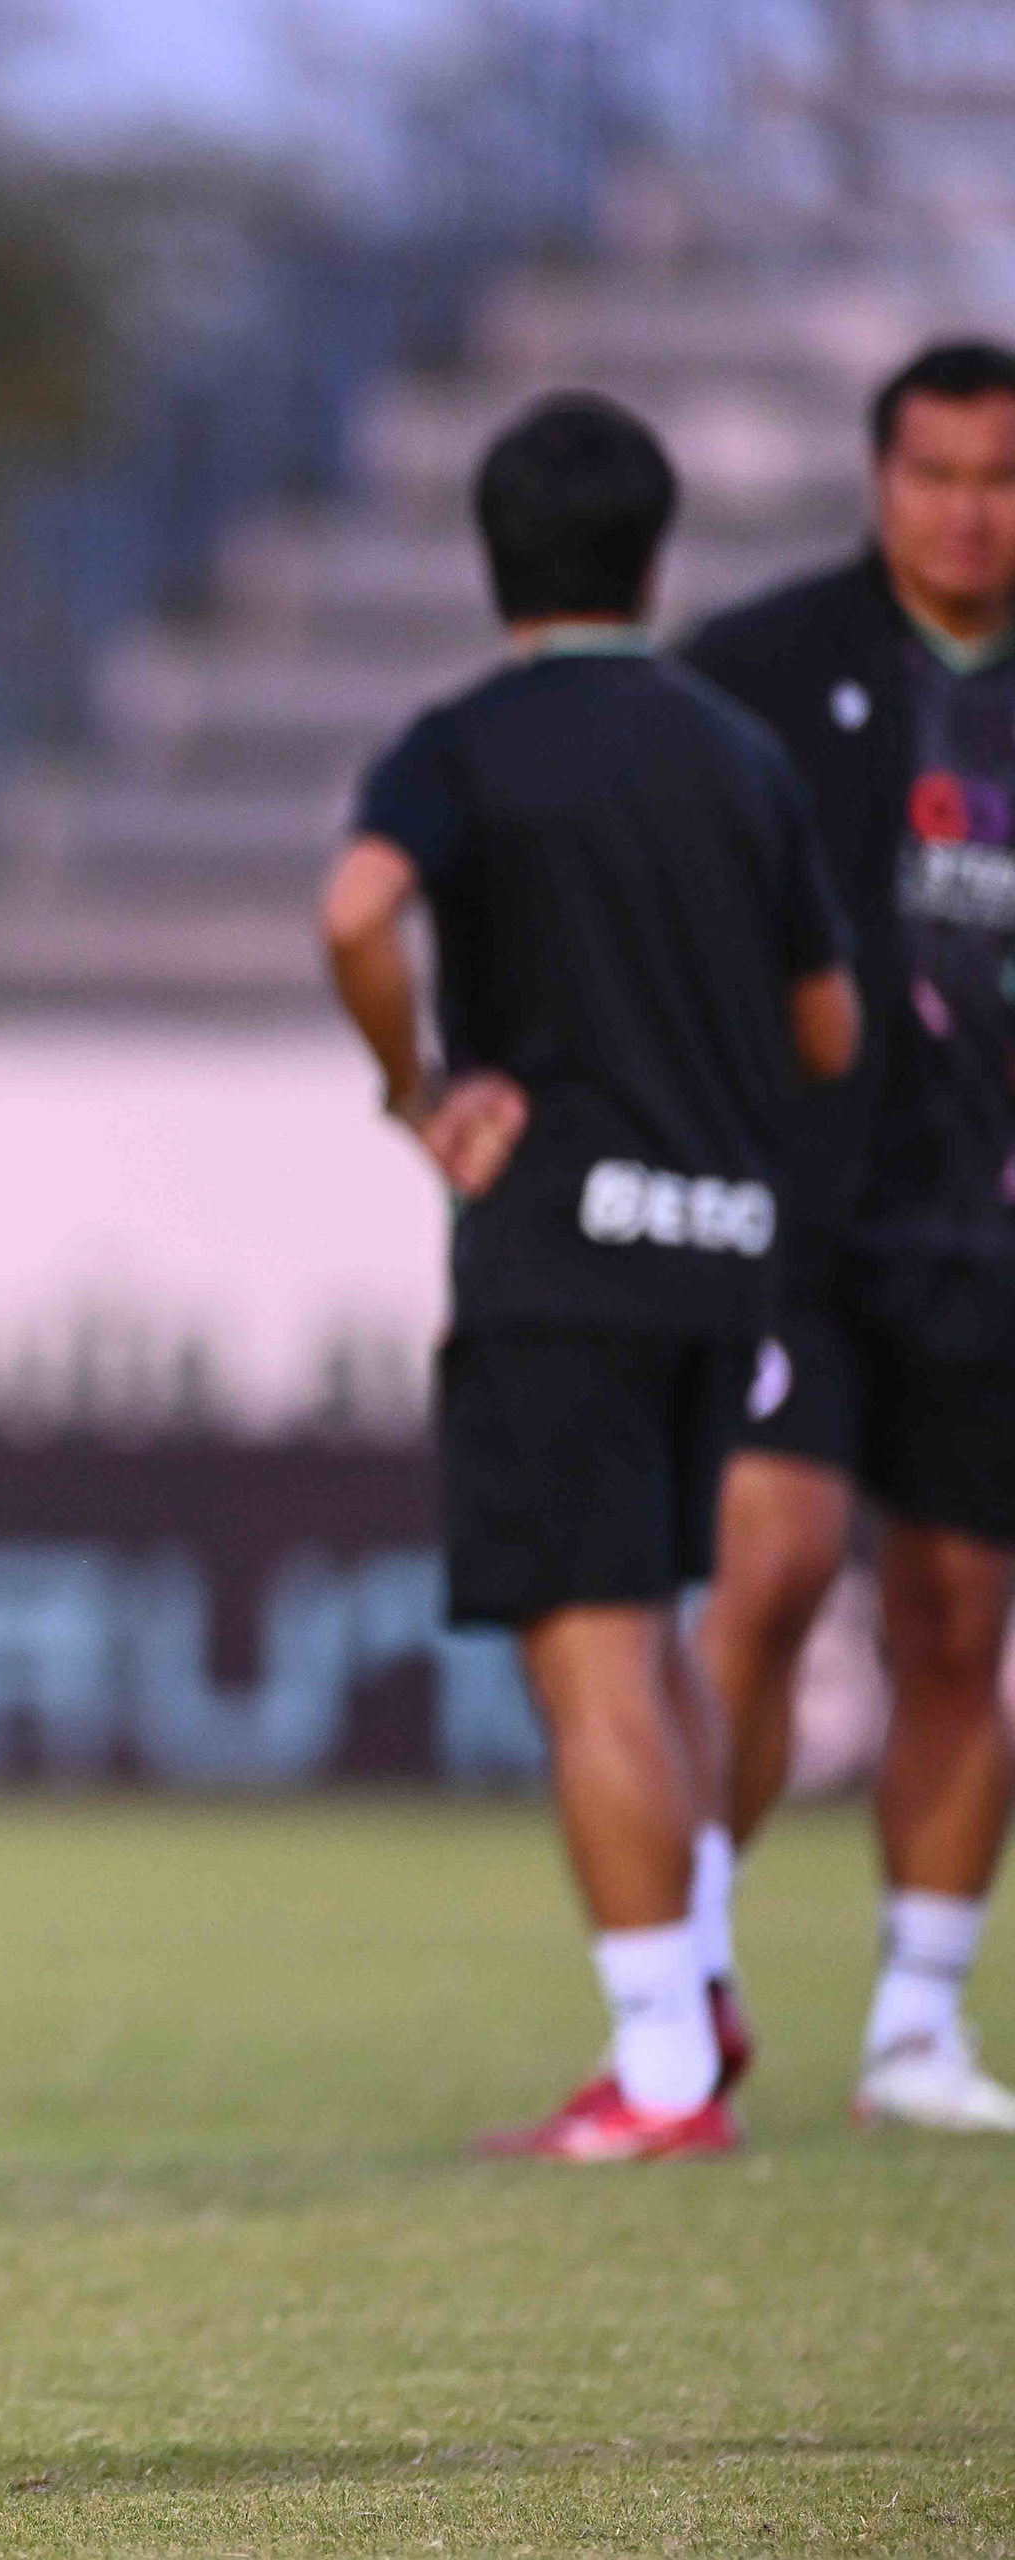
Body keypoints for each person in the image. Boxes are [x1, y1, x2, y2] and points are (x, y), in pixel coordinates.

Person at [320, 394, 857, 2161]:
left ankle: (662, 2075)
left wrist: (416, 1087)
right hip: (724, 1253)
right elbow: (828, 1030)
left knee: (590, 1650)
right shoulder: (740, 755)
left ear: (494, 563)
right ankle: (694, 1987)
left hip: (565, 1250)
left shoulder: (465, 744)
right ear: (653, 554)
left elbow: (354, 911)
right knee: (664, 1633)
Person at [685, 340, 1015, 2133]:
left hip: (990, 1235)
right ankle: (682, 1974)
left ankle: (916, 2028)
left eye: (1000, 478)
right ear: (881, 480)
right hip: (794, 1216)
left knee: (958, 1622)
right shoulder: (754, 669)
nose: (968, 512)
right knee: (774, 1564)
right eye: (936, 474)